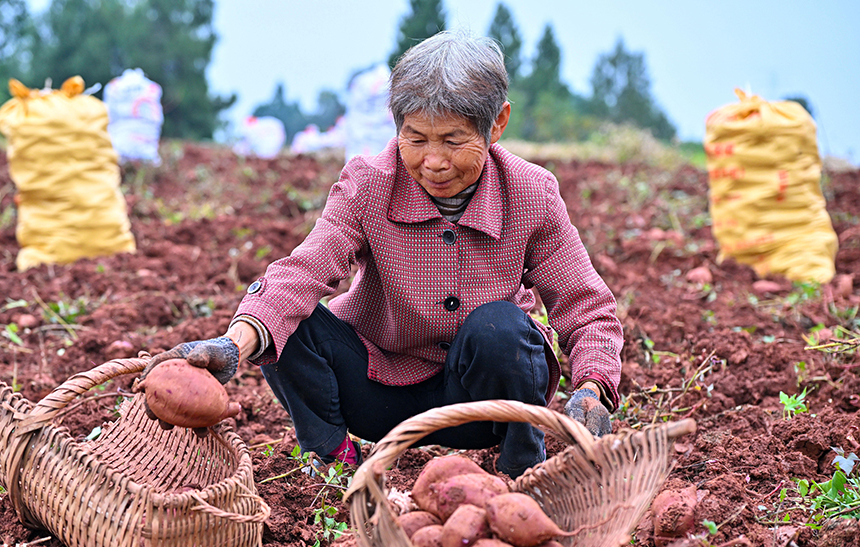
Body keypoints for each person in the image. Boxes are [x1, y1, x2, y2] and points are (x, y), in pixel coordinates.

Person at [137, 31, 623, 478]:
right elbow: (305, 271)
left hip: (484, 404)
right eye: (416, 139)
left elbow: (586, 306)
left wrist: (591, 387)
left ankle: (523, 467)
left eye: (453, 141)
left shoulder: (531, 193)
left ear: (497, 124)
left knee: (503, 328)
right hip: (377, 394)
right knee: (287, 321)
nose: (433, 162)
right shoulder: (370, 183)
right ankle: (333, 460)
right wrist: (233, 344)